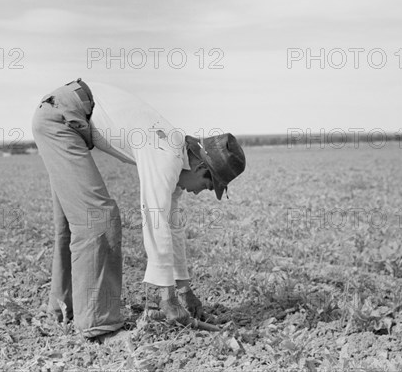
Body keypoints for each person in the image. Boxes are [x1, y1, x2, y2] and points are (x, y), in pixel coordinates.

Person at [32, 78, 246, 338]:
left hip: (66, 116)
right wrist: (167, 298)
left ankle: (63, 308)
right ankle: (99, 328)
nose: (201, 192)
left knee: (72, 219)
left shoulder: (177, 155)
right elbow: (155, 219)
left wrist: (184, 290)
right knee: (99, 218)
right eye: (208, 185)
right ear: (201, 167)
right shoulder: (166, 154)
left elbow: (171, 226)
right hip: (61, 121)